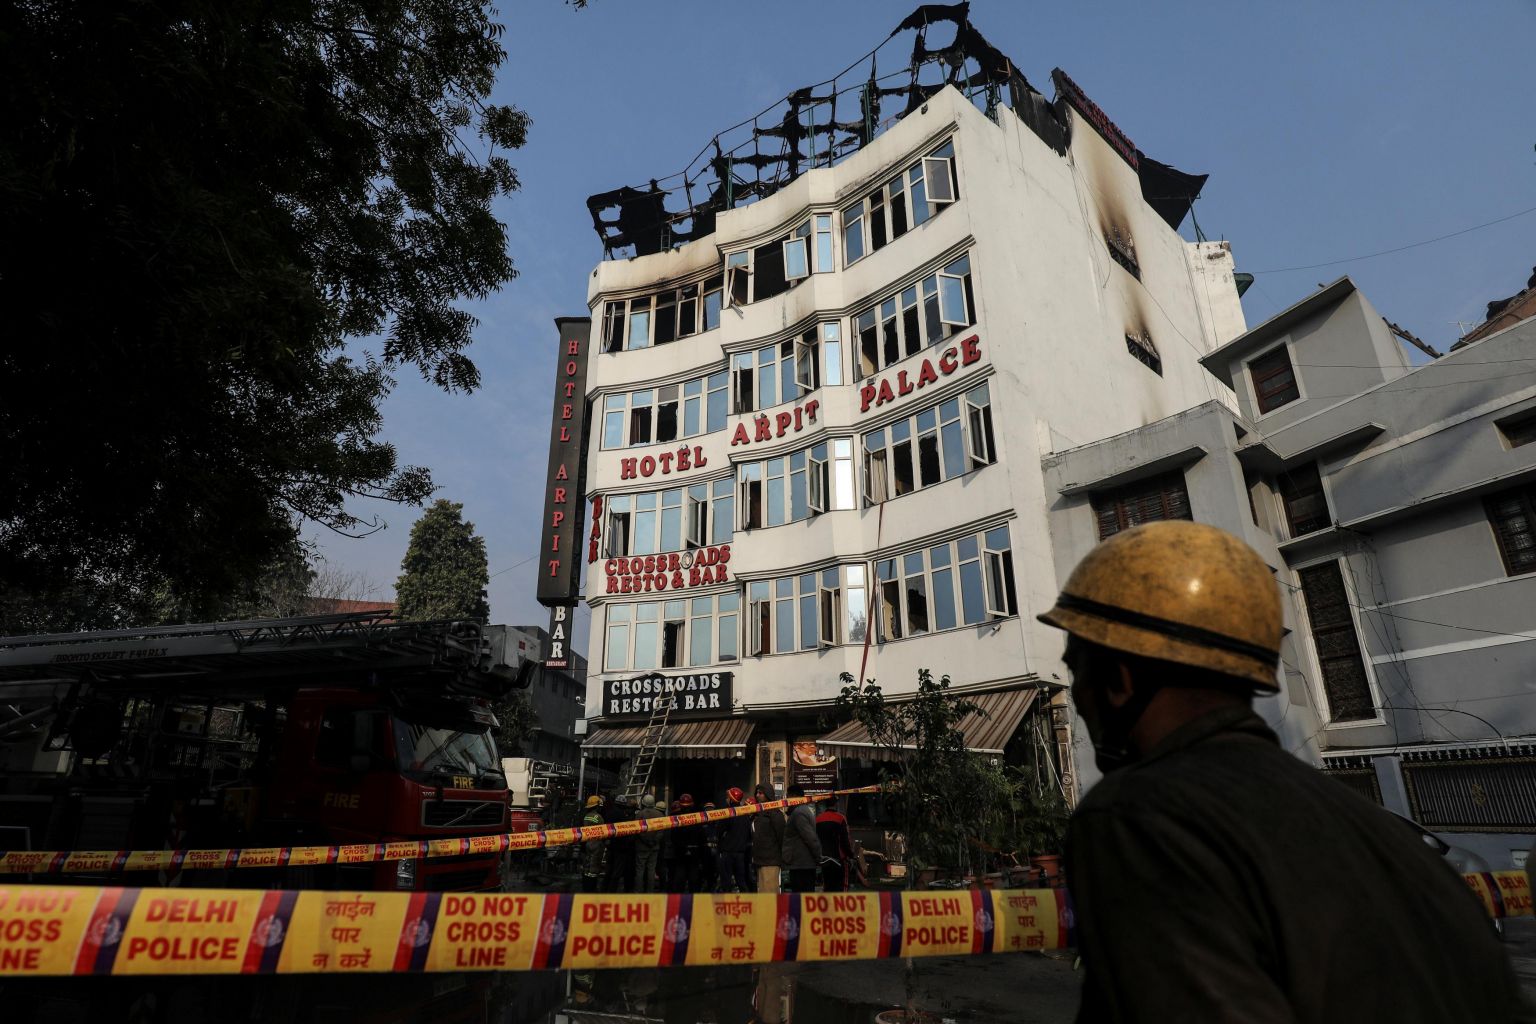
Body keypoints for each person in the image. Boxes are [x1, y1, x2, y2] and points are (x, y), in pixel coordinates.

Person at [1037, 520, 1530, 1023]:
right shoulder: (1392, 840)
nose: (1076, 696)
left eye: (1078, 671)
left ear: (1117, 679)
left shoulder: (1141, 818)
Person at [781, 784, 821, 893]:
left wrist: (818, 857)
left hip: (801, 865)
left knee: (801, 897)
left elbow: (810, 838)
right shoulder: (802, 811)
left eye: (788, 796)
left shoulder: (799, 813)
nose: (786, 799)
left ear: (794, 796)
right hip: (802, 864)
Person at [814, 799, 859, 892]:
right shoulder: (840, 818)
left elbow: (815, 840)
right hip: (839, 860)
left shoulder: (818, 819)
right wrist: (851, 855)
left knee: (827, 887)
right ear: (836, 804)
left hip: (824, 860)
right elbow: (845, 840)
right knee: (842, 889)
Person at [717, 787, 754, 892]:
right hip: (741, 854)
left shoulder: (728, 813)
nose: (726, 799)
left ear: (731, 799)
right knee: (741, 882)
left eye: (728, 797)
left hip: (728, 853)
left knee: (726, 883)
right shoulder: (745, 814)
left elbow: (719, 831)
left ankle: (727, 901)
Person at [751, 783, 786, 893]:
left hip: (771, 860)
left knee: (770, 892)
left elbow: (782, 836)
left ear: (768, 794)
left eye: (760, 793)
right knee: (763, 892)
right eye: (756, 793)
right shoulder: (757, 814)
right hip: (759, 860)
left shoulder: (775, 814)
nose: (757, 795)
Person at [603, 794, 636, 893]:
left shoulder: (609, 813)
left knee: (609, 869)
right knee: (617, 871)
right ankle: (612, 891)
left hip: (610, 846)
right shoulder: (622, 816)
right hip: (620, 848)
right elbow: (625, 833)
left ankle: (604, 889)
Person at [633, 793, 664, 893]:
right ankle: (650, 891)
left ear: (643, 803)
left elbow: (638, 830)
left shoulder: (640, 814)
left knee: (640, 870)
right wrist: (654, 841)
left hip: (642, 847)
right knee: (651, 870)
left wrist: (646, 841)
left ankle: (639, 891)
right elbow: (661, 831)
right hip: (654, 847)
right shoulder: (660, 814)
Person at [579, 794, 607, 893]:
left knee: (587, 866)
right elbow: (603, 832)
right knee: (594, 868)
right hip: (597, 844)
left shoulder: (586, 817)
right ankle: (591, 889)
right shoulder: (599, 817)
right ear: (597, 806)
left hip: (587, 844)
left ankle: (585, 887)